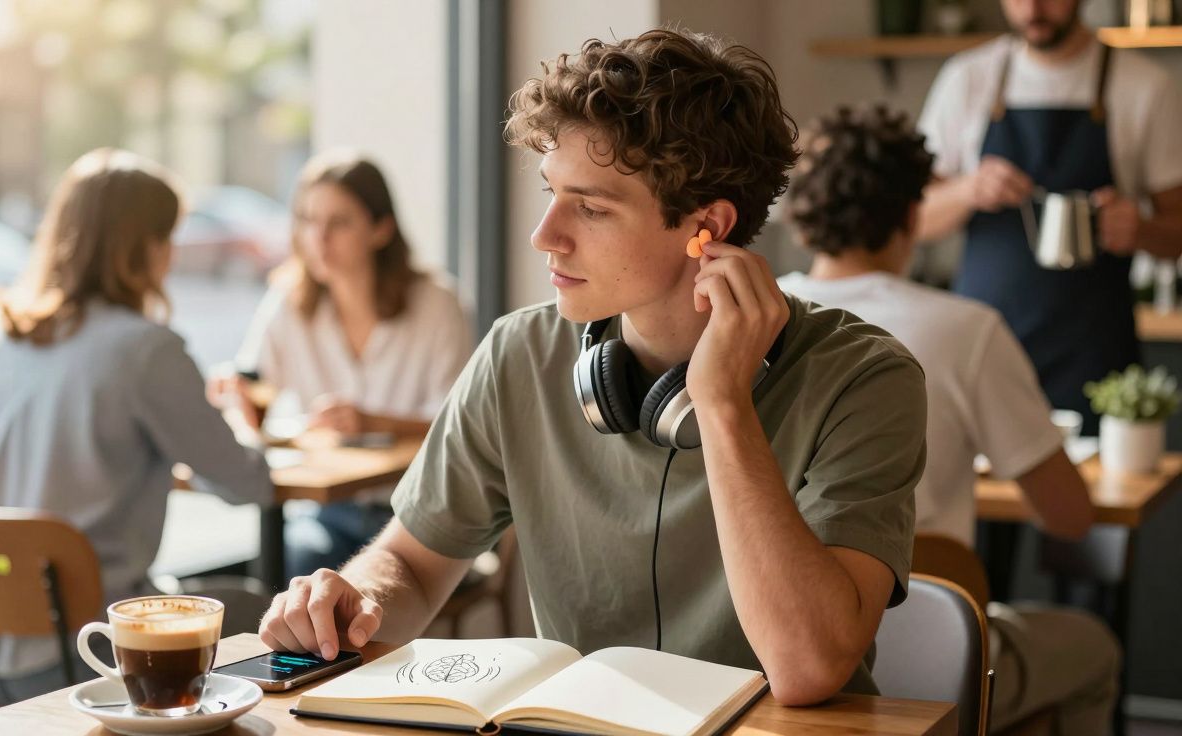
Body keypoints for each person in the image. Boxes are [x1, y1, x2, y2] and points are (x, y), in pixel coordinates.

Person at [259, 28, 928, 706]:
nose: (544, 235)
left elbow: (809, 668)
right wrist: (357, 598)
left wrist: (722, 402)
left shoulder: (865, 379)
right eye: (551, 193)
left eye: (591, 207)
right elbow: (411, 562)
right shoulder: (519, 354)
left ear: (709, 228)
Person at [778, 104, 1118, 735]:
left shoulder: (746, 318)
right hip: (923, 658)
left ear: (802, 219)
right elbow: (1068, 515)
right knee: (1091, 646)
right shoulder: (967, 330)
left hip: (769, 655)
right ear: (914, 215)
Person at [0, 148, 273, 704]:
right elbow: (247, 483)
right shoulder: (145, 350)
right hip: (79, 656)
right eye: (167, 237)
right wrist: (245, 418)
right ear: (144, 247)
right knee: (262, 611)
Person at [916, 0, 1182, 435]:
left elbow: (1177, 233)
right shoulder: (967, 79)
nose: (1034, 7)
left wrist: (1143, 230)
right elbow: (913, 220)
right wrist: (967, 190)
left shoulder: (1146, 86)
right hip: (982, 353)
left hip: (1095, 357)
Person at [214, 152, 471, 578]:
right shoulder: (289, 302)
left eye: (340, 222)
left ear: (381, 229)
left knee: (337, 584)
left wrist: (370, 421)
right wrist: (233, 393)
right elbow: (252, 385)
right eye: (309, 220)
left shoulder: (437, 304)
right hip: (328, 512)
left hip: (418, 512)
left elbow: (459, 428)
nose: (318, 238)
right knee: (298, 571)